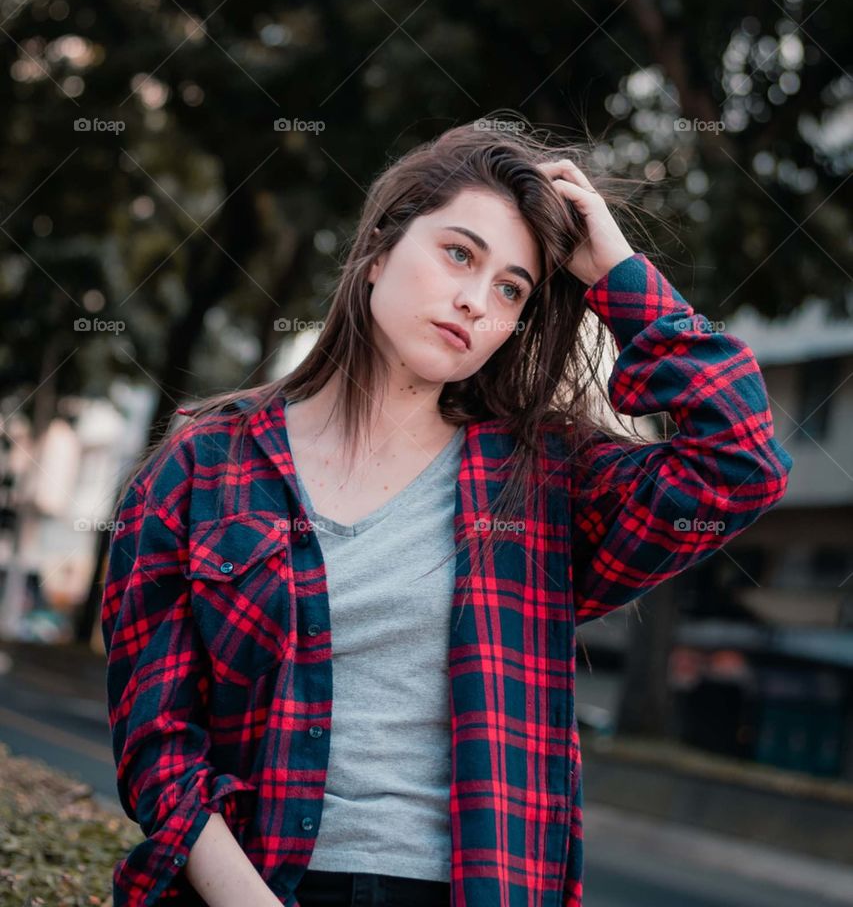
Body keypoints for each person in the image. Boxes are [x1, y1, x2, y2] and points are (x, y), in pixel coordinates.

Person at [101, 119, 792, 907]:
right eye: (458, 253)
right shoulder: (201, 468)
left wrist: (618, 276)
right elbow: (156, 739)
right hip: (254, 887)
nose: (474, 300)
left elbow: (737, 464)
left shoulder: (544, 483)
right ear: (376, 254)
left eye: (511, 289)